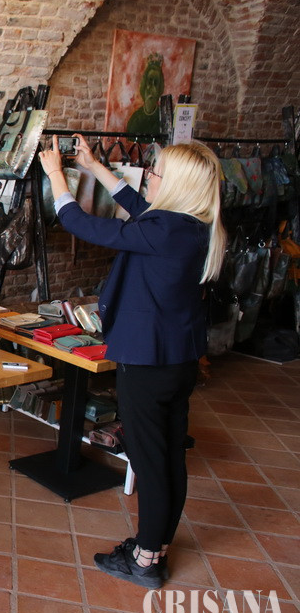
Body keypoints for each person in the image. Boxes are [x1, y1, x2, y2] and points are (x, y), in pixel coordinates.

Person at [39, 136, 225, 589]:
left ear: (175, 185)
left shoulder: (165, 229)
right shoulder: (192, 224)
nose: (149, 178)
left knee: (149, 462)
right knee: (168, 457)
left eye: (156, 172)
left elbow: (81, 223)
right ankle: (154, 548)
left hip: (148, 362)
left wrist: (57, 175)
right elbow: (137, 205)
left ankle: (144, 559)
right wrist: (94, 166)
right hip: (178, 359)